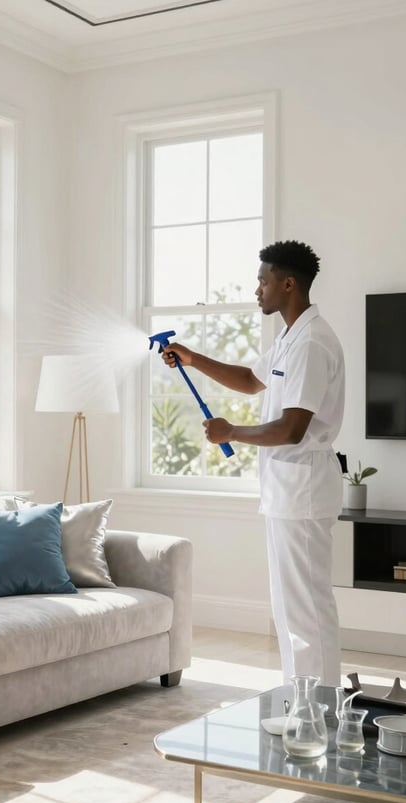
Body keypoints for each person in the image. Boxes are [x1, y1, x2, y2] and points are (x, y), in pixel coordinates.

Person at [162, 240, 345, 687]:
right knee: (288, 606)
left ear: (287, 283)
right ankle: (300, 701)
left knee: (304, 608)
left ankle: (316, 711)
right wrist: (192, 358)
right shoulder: (289, 337)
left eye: (263, 280)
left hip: (301, 490)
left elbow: (292, 428)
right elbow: (250, 380)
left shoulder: (311, 344)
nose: (257, 289)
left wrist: (232, 433)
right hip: (287, 490)